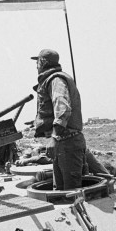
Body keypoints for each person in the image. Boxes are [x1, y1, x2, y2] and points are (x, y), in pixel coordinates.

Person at [32, 49, 85, 190]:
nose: (36, 66)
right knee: (60, 191)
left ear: (43, 62)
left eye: (37, 62)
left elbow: (63, 109)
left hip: (67, 142)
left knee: (71, 192)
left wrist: (54, 137)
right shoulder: (52, 80)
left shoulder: (56, 80)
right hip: (62, 143)